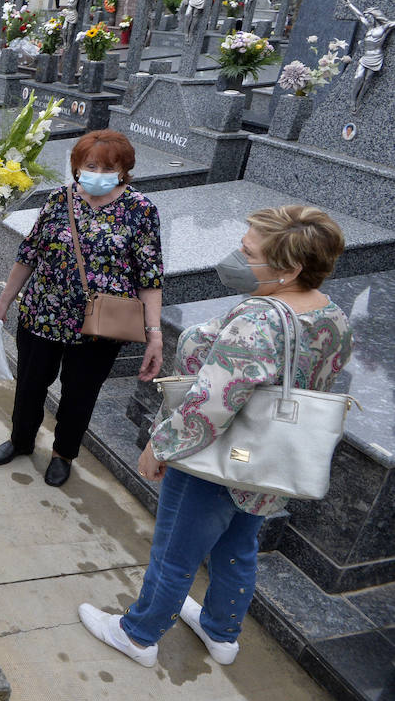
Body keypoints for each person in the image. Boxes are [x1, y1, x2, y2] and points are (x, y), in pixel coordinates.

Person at [79, 206, 352, 669]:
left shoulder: (260, 319)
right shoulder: (333, 315)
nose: (236, 256)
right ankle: (222, 632)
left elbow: (212, 401)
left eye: (248, 251)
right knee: (239, 545)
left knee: (175, 553)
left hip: (217, 455)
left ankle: (138, 635)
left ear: (288, 269)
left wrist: (160, 442)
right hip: (269, 460)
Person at [0, 130, 164, 487]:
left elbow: (150, 275)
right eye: (90, 165)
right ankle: (20, 440)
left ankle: (63, 454)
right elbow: (29, 255)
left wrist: (154, 333)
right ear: (78, 167)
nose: (97, 172)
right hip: (43, 314)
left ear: (124, 170)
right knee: (31, 385)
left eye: (107, 167)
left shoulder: (141, 210)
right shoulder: (58, 199)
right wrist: (3, 302)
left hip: (102, 325)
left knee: (80, 394)